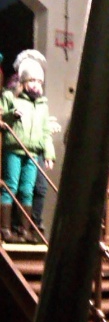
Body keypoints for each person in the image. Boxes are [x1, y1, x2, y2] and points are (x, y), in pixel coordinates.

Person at [0, 50, 55, 243]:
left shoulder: (42, 105)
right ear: (23, 81)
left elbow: (45, 131)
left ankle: (25, 230)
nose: (36, 85)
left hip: (32, 152)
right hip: (14, 149)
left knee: (27, 190)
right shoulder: (11, 97)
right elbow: (2, 118)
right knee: (10, 186)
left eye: (39, 82)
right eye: (32, 80)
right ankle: (5, 229)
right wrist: (11, 115)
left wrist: (49, 154)